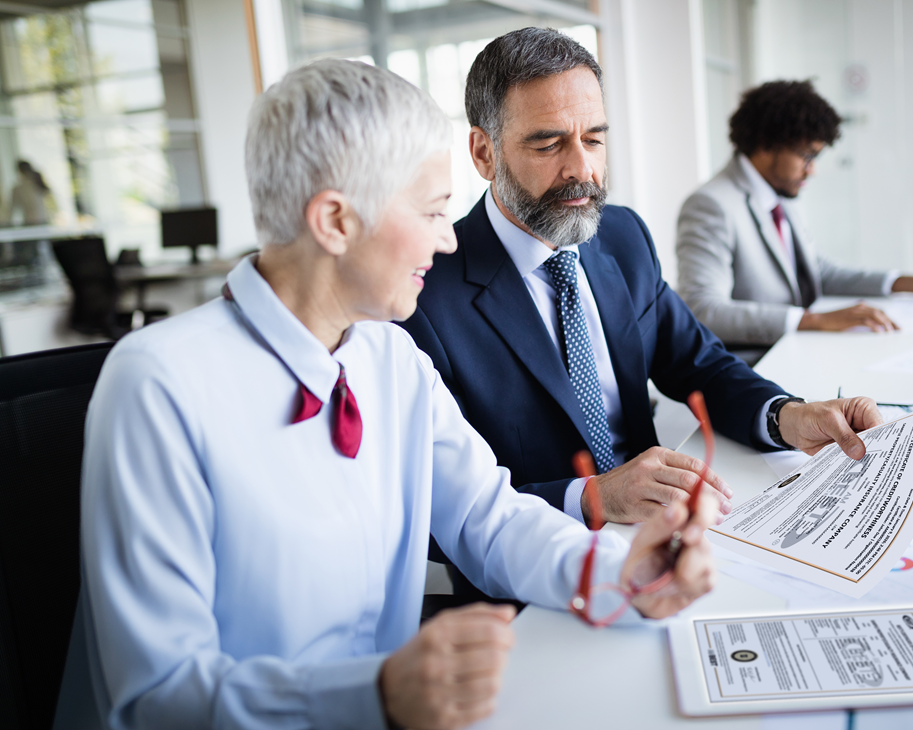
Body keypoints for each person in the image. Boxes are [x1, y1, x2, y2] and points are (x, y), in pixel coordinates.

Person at [78, 59, 719, 730]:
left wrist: (621, 574)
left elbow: (489, 520)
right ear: (335, 221)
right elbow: (156, 697)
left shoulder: (390, 357)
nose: (448, 238)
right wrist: (375, 694)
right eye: (433, 211)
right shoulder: (159, 385)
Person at [399, 28, 882, 582]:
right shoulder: (422, 295)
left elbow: (700, 364)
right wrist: (593, 497)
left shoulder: (622, 236)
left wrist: (786, 416)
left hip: (668, 543)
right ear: (484, 153)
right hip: (536, 585)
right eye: (548, 144)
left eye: (594, 139)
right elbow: (431, 513)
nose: (582, 169)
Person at [676, 79, 913, 350]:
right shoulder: (711, 205)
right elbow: (703, 310)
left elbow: (815, 272)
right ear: (765, 144)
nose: (812, 170)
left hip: (798, 349)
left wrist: (905, 283)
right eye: (807, 156)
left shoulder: (779, 192)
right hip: (754, 364)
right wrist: (815, 320)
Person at [3, 159, 53, 226]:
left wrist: (6, 223)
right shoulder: (37, 184)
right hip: (42, 220)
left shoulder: (20, 188)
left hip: (34, 222)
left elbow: (12, 209)